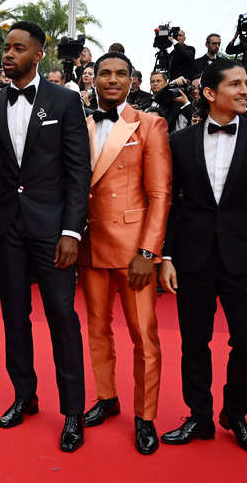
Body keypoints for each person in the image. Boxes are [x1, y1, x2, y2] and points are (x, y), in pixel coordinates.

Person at [0, 21, 91, 452]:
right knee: (13, 318)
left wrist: (70, 230)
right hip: (7, 230)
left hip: (52, 230)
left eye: (18, 48)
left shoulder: (65, 100)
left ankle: (73, 412)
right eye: (6, 48)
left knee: (62, 317)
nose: (8, 54)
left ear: (38, 54)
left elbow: (79, 170)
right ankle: (24, 396)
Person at [160, 59, 247, 455]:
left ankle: (235, 412)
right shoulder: (180, 143)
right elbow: (169, 205)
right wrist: (166, 256)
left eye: (246, 83)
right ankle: (199, 415)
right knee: (193, 343)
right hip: (193, 259)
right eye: (236, 84)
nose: (246, 90)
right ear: (210, 93)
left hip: (246, 262)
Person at [77, 52, 172, 455]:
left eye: (121, 74)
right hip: (88, 243)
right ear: (93, 79)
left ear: (132, 80)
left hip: (133, 248)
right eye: (105, 73)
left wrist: (148, 252)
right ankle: (106, 396)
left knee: (143, 337)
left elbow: (160, 193)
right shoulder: (79, 125)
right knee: (96, 330)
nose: (112, 79)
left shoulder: (149, 124)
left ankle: (145, 416)